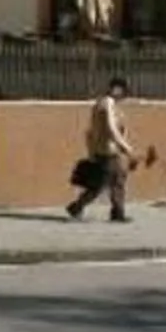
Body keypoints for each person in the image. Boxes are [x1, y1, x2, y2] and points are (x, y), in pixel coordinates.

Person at [66, 78, 134, 223]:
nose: (123, 95)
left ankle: (117, 211)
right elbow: (111, 129)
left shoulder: (107, 104)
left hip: (109, 151)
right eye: (123, 91)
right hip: (107, 151)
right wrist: (125, 146)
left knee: (116, 180)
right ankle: (77, 206)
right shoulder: (107, 103)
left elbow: (92, 132)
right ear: (116, 89)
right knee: (101, 184)